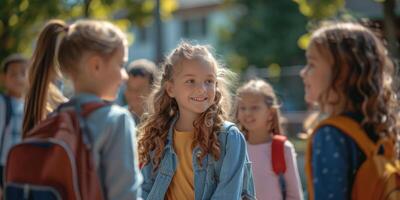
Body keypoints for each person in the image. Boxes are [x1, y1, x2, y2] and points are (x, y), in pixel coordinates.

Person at [22, 19, 142, 199]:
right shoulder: (116, 120)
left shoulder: (51, 120)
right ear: (96, 66)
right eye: (120, 64)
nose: (125, 76)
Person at [138, 42, 255, 200]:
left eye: (209, 81)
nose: (201, 89)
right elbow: (146, 189)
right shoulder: (157, 135)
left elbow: (227, 195)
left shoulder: (229, 138)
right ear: (171, 89)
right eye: (190, 81)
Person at [300, 22, 399, 199]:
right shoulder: (381, 129)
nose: (303, 72)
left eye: (311, 64)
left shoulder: (330, 134)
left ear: (342, 74)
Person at [234, 79, 303, 200]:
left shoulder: (283, 148)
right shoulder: (234, 148)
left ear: (270, 113)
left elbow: (295, 196)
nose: (247, 113)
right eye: (243, 108)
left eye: (254, 107)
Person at [0, 54, 28, 189]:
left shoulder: (29, 105)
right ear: (3, 78)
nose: (18, 78)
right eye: (13, 74)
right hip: (4, 165)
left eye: (23, 73)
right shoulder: (2, 103)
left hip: (23, 165)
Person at [124, 59, 157, 124]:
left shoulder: (164, 121)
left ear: (153, 90)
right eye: (130, 89)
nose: (133, 94)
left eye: (140, 89)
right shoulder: (119, 119)